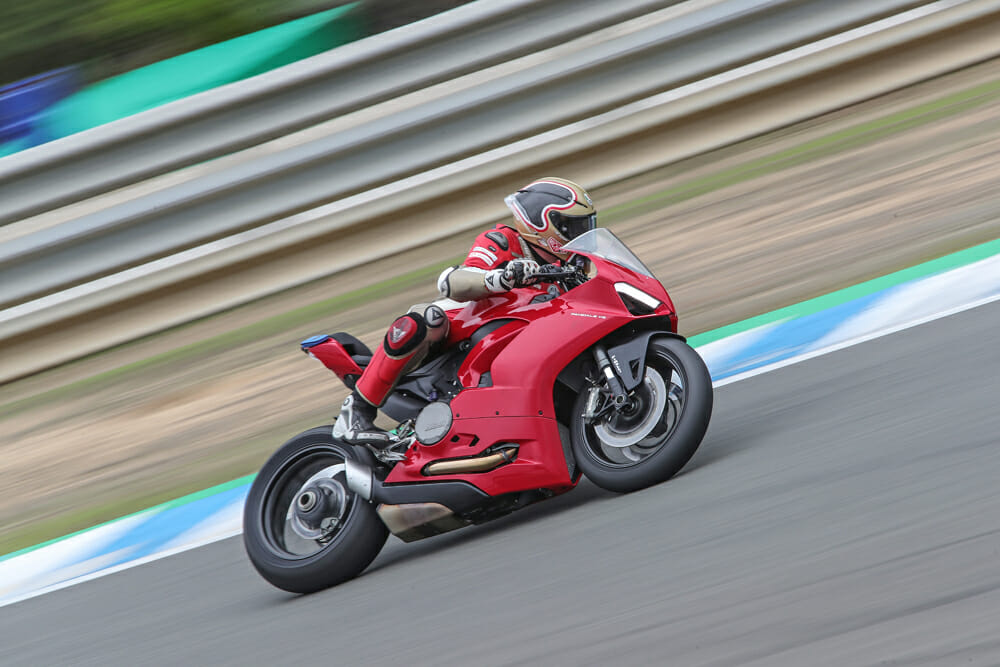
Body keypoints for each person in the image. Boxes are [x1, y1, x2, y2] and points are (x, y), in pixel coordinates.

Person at [333, 177, 598, 445]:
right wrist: (501, 278)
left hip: (528, 352)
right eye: (572, 226)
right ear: (542, 223)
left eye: (585, 225)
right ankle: (356, 410)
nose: (580, 233)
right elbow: (452, 281)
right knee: (427, 319)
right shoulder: (504, 242)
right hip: (462, 334)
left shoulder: (577, 266)